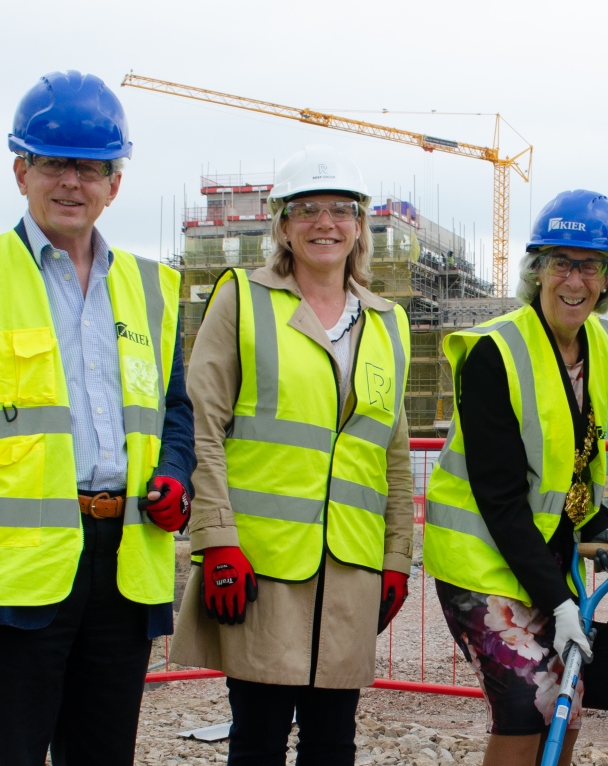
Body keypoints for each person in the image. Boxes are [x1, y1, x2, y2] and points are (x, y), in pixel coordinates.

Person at [0, 70, 196, 765]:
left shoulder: (151, 288)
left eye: (90, 168)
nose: (72, 183)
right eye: (54, 164)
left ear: (114, 184)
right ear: (20, 171)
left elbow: (173, 410)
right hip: (11, 577)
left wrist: (176, 473)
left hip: (123, 566)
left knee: (102, 754)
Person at [171, 144, 414, 766]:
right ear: (282, 223)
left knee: (334, 742)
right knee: (258, 737)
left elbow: (391, 451)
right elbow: (204, 426)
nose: (324, 223)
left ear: (360, 225)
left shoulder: (388, 323)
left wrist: (396, 557)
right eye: (307, 209)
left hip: (350, 569)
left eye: (340, 209)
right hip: (260, 567)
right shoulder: (243, 301)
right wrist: (215, 539)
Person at [423, 190, 608, 766]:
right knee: (525, 697)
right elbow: (500, 497)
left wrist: (597, 522)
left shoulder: (602, 343)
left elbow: (580, 452)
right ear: (536, 270)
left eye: (591, 266)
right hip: (480, 559)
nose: (575, 280)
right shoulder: (496, 353)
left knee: (568, 696)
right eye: (561, 262)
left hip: (539, 558)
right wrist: (559, 601)